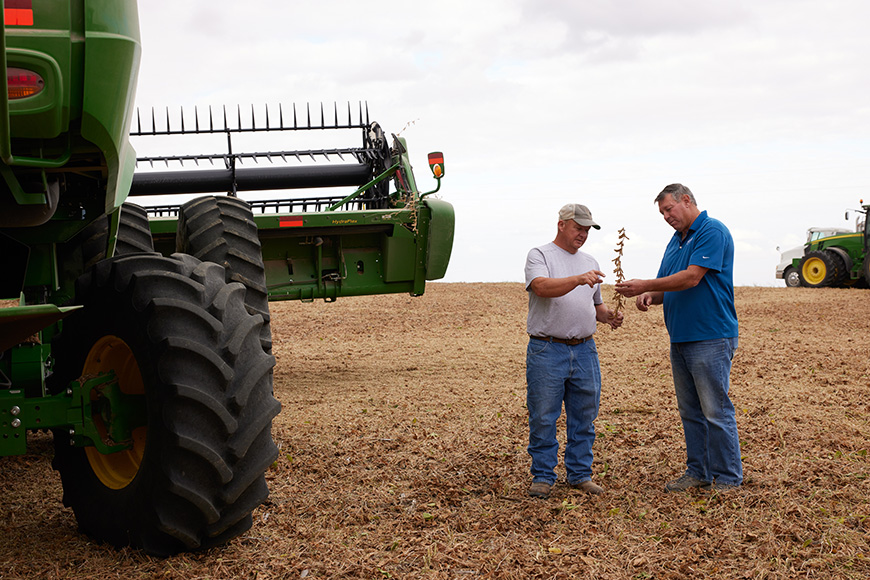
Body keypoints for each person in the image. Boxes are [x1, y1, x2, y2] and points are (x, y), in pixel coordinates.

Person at [615, 183, 742, 492]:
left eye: (669, 209)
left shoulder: (712, 231)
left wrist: (646, 282)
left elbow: (692, 277)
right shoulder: (676, 241)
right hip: (681, 337)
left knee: (715, 410)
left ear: (687, 201)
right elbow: (667, 285)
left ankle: (727, 477)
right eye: (662, 213)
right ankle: (698, 472)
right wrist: (649, 294)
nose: (666, 217)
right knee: (690, 411)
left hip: (710, 335)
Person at [524, 203, 623, 499]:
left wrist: (609, 316)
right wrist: (578, 279)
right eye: (578, 228)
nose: (583, 234)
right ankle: (543, 476)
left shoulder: (589, 260)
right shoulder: (540, 255)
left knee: (584, 415)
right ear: (561, 225)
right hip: (547, 348)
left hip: (584, 350)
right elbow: (541, 287)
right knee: (543, 416)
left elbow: (595, 306)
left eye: (587, 229)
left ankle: (580, 474)